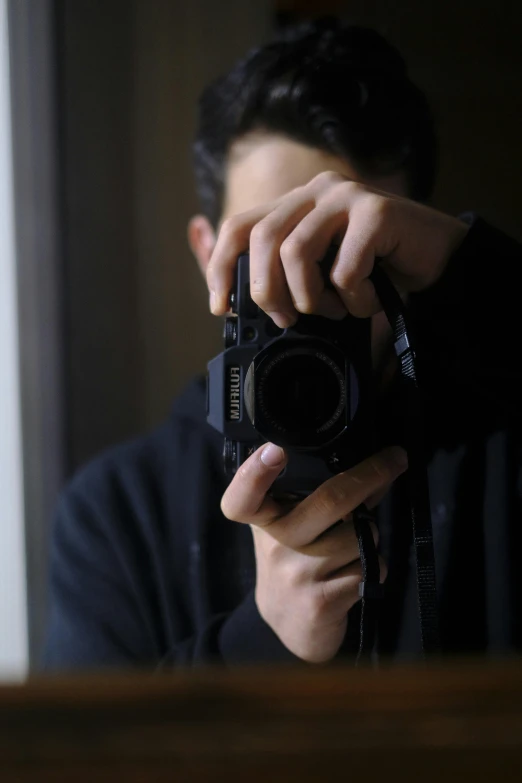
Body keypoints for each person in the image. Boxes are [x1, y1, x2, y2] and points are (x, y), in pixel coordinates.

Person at [43, 18, 522, 668]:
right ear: (207, 252)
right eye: (260, 249)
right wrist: (262, 639)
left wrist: (468, 269)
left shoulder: (497, 442)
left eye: (339, 252)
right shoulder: (121, 510)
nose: (299, 291)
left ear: (406, 251)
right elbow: (87, 764)